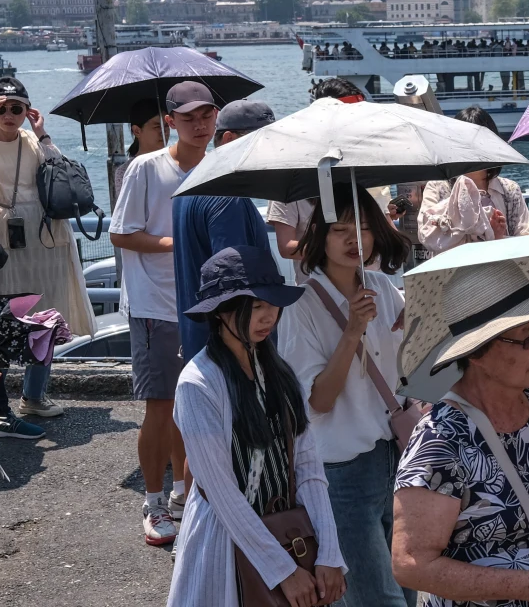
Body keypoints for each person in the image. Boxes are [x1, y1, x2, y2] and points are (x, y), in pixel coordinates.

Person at [392, 260, 529, 607]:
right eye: (526, 337)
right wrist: (526, 587)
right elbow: (410, 564)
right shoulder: (440, 439)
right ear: (476, 352)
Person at [168, 246, 347, 607]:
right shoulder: (198, 383)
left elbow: (308, 467)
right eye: (257, 306)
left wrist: (329, 551)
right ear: (221, 312)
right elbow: (220, 492)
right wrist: (282, 571)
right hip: (225, 541)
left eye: (273, 304)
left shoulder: (279, 372)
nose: (269, 317)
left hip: (289, 533)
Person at [279, 184, 415, 607]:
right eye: (340, 230)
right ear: (319, 236)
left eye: (364, 228)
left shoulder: (383, 287)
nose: (355, 239)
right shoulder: (300, 306)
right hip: (342, 470)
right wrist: (353, 329)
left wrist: (423, 321)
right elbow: (317, 402)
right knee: (378, 598)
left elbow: (408, 373)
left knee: (407, 586)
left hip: (397, 455)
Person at [110, 81, 217, 546]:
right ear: (170, 121)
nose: (200, 124)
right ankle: (153, 501)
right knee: (160, 406)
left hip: (204, 303)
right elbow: (120, 233)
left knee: (192, 405)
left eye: (207, 115)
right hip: (154, 304)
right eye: (188, 117)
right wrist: (178, 243)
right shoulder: (146, 167)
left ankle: (182, 494)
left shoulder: (218, 167)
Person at [0, 76, 96, 436]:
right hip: (1, 239)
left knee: (47, 316)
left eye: (16, 108)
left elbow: (61, 176)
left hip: (45, 239)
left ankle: (34, 394)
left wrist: (43, 133)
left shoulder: (34, 140)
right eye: (1, 108)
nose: (9, 115)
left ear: (27, 110)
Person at [174, 100, 276, 364]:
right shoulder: (228, 199)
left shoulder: (191, 181)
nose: (271, 152)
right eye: (263, 142)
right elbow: (234, 287)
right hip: (234, 353)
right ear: (229, 139)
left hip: (201, 344)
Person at [267, 78, 365, 280]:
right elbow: (286, 247)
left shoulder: (365, 164)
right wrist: (334, 250)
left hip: (371, 284)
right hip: (318, 291)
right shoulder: (291, 173)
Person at [418, 107, 529, 255]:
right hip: (455, 269)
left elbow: (526, 239)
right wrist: (491, 236)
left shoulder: (510, 190)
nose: (473, 150)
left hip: (501, 268)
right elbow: (427, 236)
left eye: (480, 143)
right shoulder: (437, 187)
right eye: (465, 143)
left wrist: (499, 238)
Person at [113, 99, 170, 200]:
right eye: (157, 127)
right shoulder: (125, 171)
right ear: (137, 131)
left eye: (166, 126)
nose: (164, 131)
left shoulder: (176, 162)